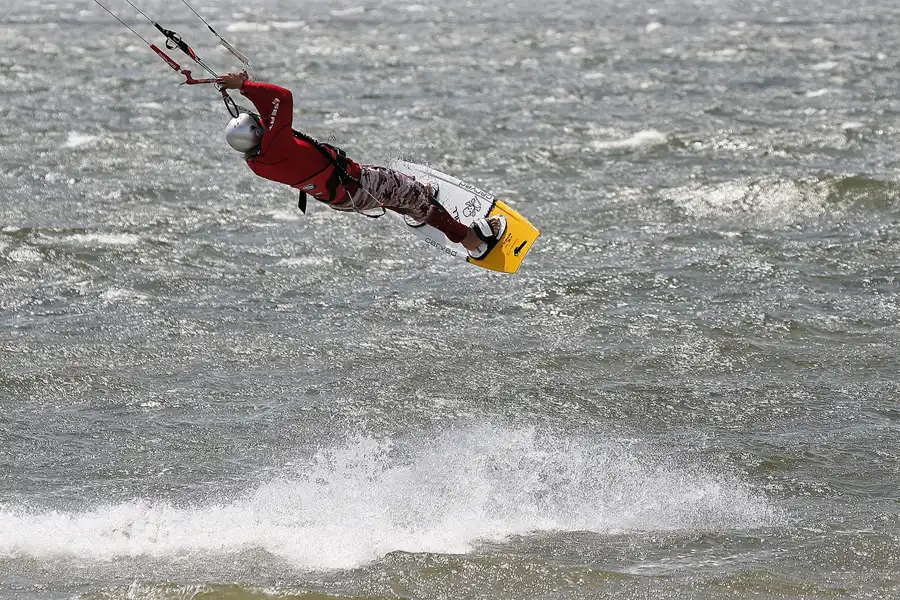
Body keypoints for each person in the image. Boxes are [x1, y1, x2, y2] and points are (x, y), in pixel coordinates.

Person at [217, 72, 505, 259]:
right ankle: (469, 239)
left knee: (393, 184)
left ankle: (410, 201)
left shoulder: (258, 161)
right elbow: (283, 98)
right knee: (416, 197)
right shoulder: (275, 144)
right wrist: (245, 86)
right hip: (356, 185)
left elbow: (272, 115)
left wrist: (246, 88)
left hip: (341, 194)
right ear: (257, 132)